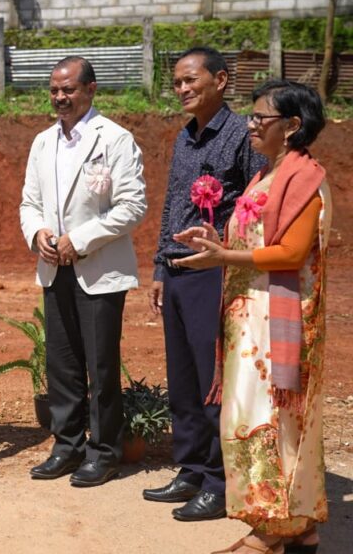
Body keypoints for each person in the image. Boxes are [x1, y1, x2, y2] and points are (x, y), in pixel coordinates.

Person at [174, 80, 330, 554]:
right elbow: (253, 240)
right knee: (247, 416)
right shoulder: (267, 175)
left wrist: (223, 257)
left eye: (261, 118)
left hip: (277, 319)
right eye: (252, 116)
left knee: (273, 418)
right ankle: (298, 526)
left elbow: (291, 252)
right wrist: (214, 240)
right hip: (250, 319)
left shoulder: (305, 180)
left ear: (293, 126)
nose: (251, 125)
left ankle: (272, 530)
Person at [144, 47, 266, 522]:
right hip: (175, 274)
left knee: (215, 382)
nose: (182, 89)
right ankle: (191, 468)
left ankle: (219, 481)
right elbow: (173, 204)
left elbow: (252, 205)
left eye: (190, 80)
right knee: (184, 381)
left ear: (221, 80)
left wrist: (224, 243)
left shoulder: (242, 136)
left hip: (213, 273)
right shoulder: (184, 138)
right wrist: (158, 266)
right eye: (176, 83)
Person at [19, 56, 146, 488]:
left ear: (91, 90)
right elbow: (29, 203)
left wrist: (82, 238)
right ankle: (67, 446)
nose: (60, 98)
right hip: (55, 267)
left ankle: (105, 451)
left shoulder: (115, 139)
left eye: (68, 90)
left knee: (101, 365)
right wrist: (37, 233)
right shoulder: (42, 143)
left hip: (99, 268)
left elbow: (132, 206)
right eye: (54, 91)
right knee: (62, 364)